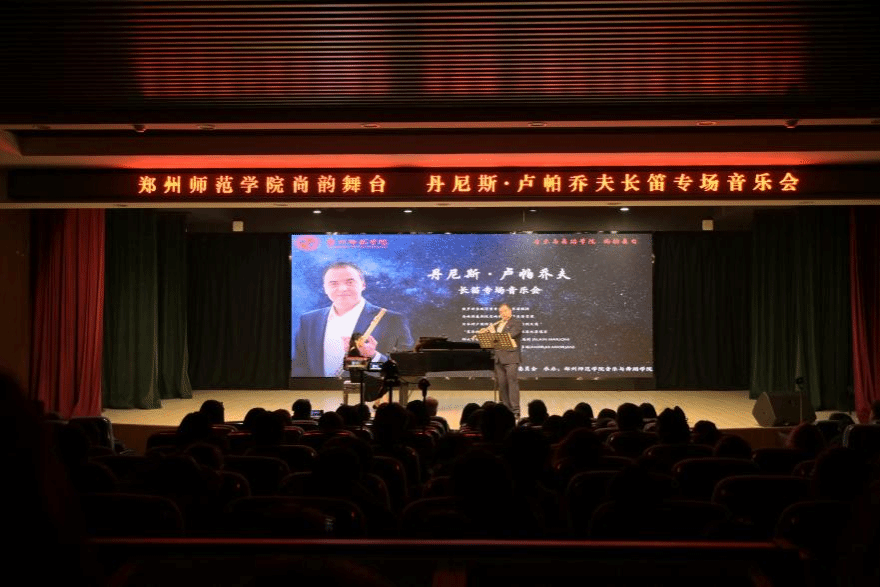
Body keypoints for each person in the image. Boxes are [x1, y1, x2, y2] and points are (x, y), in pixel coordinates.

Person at [292, 261, 414, 377]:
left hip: (369, 389)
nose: (342, 288)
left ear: (363, 285)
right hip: (318, 390)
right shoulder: (309, 320)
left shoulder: (392, 320)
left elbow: (404, 368)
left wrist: (373, 356)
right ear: (325, 288)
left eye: (350, 282)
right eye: (333, 283)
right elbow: (300, 365)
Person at [482, 303, 522, 417]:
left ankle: (515, 410)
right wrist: (486, 334)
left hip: (511, 358)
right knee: (502, 385)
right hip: (498, 359)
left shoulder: (516, 323)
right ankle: (506, 409)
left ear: (510, 311)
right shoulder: (498, 324)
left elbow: (509, 336)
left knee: (512, 384)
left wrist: (493, 333)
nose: (502, 314)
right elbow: (493, 341)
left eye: (505, 311)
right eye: (500, 312)